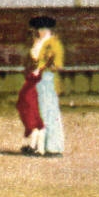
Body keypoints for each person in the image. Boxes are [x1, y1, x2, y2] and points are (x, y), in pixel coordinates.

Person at [27, 16, 66, 157]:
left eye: (43, 29)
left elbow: (57, 65)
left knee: (50, 113)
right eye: (39, 29)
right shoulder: (40, 43)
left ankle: (54, 147)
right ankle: (40, 146)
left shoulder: (53, 44)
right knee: (41, 113)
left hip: (47, 79)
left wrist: (43, 69)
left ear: (49, 30)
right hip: (38, 80)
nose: (40, 32)